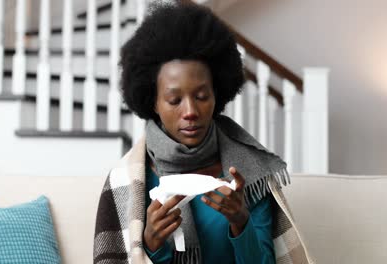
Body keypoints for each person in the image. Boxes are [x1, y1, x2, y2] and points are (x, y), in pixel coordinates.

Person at [94, 2, 312, 264]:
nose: (190, 111)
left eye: (201, 96)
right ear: (154, 103)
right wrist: (151, 244)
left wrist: (240, 222)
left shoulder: (249, 174)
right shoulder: (129, 181)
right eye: (174, 100)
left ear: (216, 95)